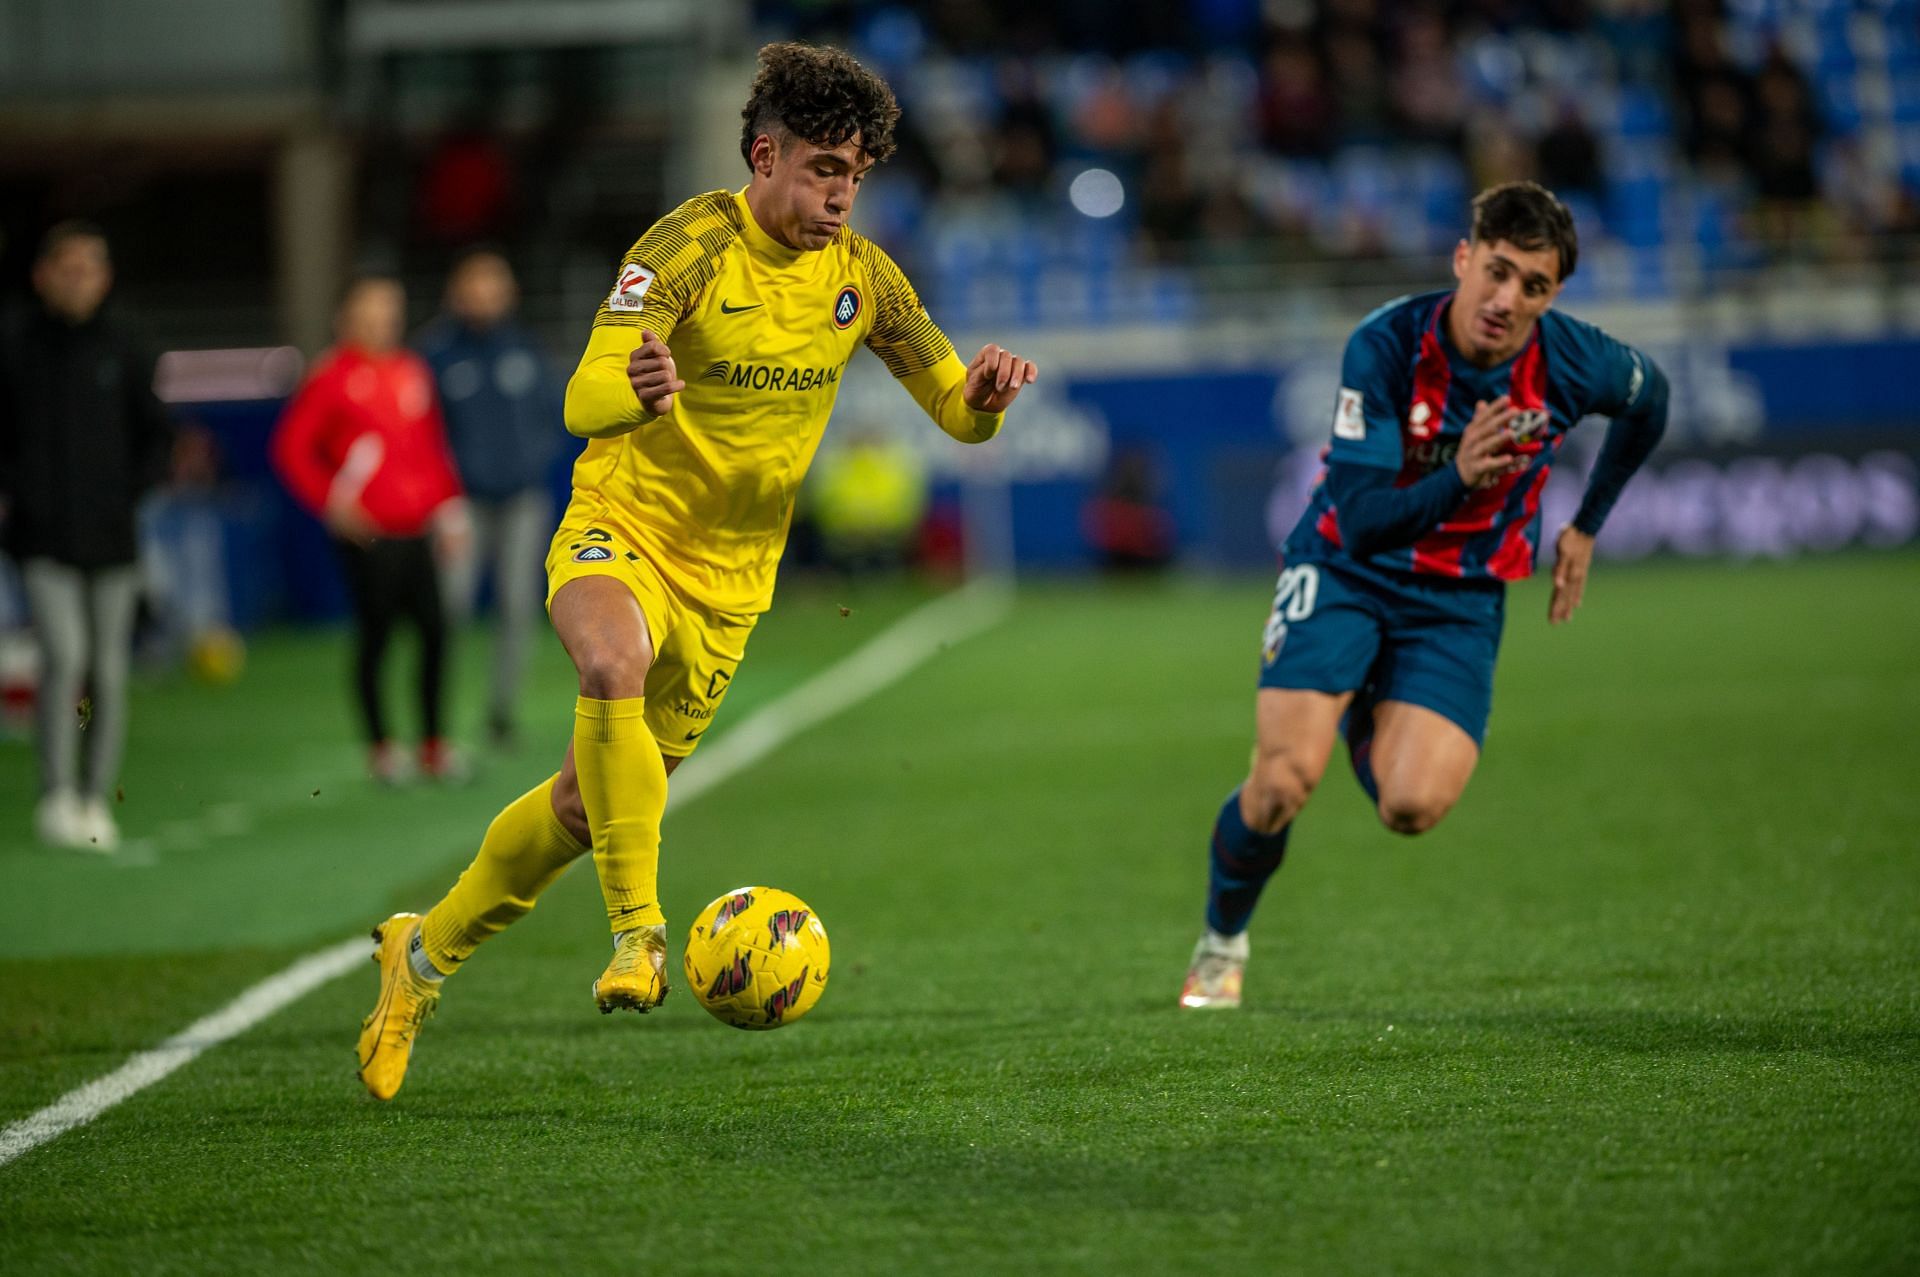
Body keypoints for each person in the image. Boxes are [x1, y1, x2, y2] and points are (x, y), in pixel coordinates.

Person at [354, 42, 1038, 1100]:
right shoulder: (683, 248)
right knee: (610, 659)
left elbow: (954, 409)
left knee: (586, 809)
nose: (842, 193)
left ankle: (422, 956)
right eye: (822, 168)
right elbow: (580, 400)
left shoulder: (864, 278)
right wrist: (632, 384)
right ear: (764, 155)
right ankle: (640, 935)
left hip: (732, 583)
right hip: (622, 523)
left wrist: (984, 398)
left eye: (855, 172)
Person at [1180, 182, 1669, 1010]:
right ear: (1463, 259)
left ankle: (1366, 699)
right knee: (1281, 783)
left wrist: (1587, 523)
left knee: (1412, 806)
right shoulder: (1387, 345)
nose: (1507, 300)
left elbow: (1648, 399)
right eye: (1498, 272)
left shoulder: (1573, 361)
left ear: (1553, 296)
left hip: (1461, 598)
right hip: (1346, 570)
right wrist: (1462, 474)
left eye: (1534, 286)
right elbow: (1366, 520)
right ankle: (1222, 940)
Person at [0, 222, 174, 851]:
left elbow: (157, 431)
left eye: (91, 267)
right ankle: (56, 792)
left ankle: (96, 796)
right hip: (42, 537)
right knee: (64, 657)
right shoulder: (15, 344)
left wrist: (132, 488)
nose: (79, 279)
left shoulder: (124, 342)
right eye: (67, 267)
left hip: (113, 536)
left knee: (106, 669)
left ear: (105, 277)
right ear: (43, 274)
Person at [271, 277, 470, 784]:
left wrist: (448, 510)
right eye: (371, 313)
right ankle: (382, 748)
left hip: (416, 527)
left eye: (389, 313)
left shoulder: (411, 370)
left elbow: (428, 447)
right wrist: (332, 504)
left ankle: (433, 745)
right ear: (348, 319)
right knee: (378, 636)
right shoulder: (332, 377)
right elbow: (293, 449)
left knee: (435, 634)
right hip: (369, 534)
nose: (382, 323)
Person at [416, 250, 564, 747]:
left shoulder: (524, 348)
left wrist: (531, 465)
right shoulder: (436, 355)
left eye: (493, 284)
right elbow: (421, 433)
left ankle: (502, 714)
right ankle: (435, 718)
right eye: (475, 284)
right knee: (447, 607)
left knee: (518, 607)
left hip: (521, 500)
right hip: (461, 506)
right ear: (457, 292)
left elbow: (551, 416)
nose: (485, 294)